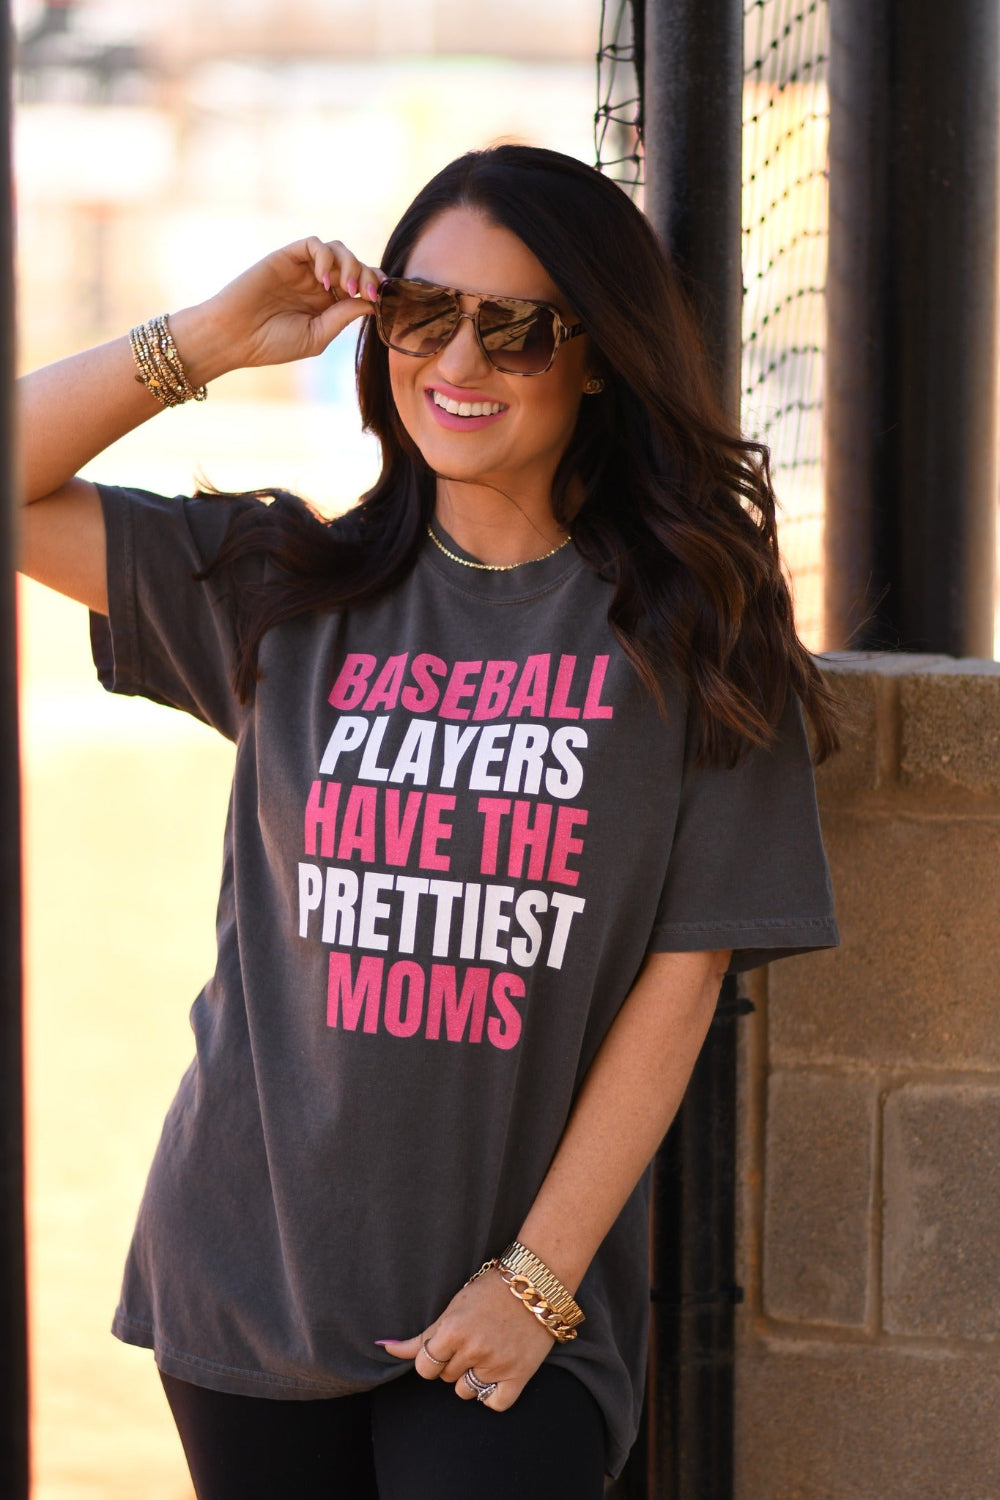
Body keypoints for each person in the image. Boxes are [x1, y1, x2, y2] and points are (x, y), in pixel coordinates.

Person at [18, 144, 839, 1499]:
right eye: (423, 312)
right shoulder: (282, 588)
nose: (458, 360)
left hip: (520, 1309)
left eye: (515, 330)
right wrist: (216, 338)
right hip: (250, 1282)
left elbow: (681, 980)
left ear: (597, 360)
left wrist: (538, 1281)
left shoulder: (691, 627)